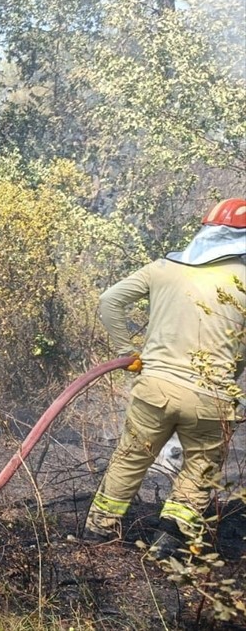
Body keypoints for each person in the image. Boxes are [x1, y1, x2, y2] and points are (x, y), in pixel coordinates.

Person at [84, 198, 246, 555]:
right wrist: (231, 380)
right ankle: (170, 541)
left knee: (130, 458)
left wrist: (130, 354)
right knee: (200, 468)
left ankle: (98, 533)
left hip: (154, 389)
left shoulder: (163, 268)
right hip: (212, 399)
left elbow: (110, 300)